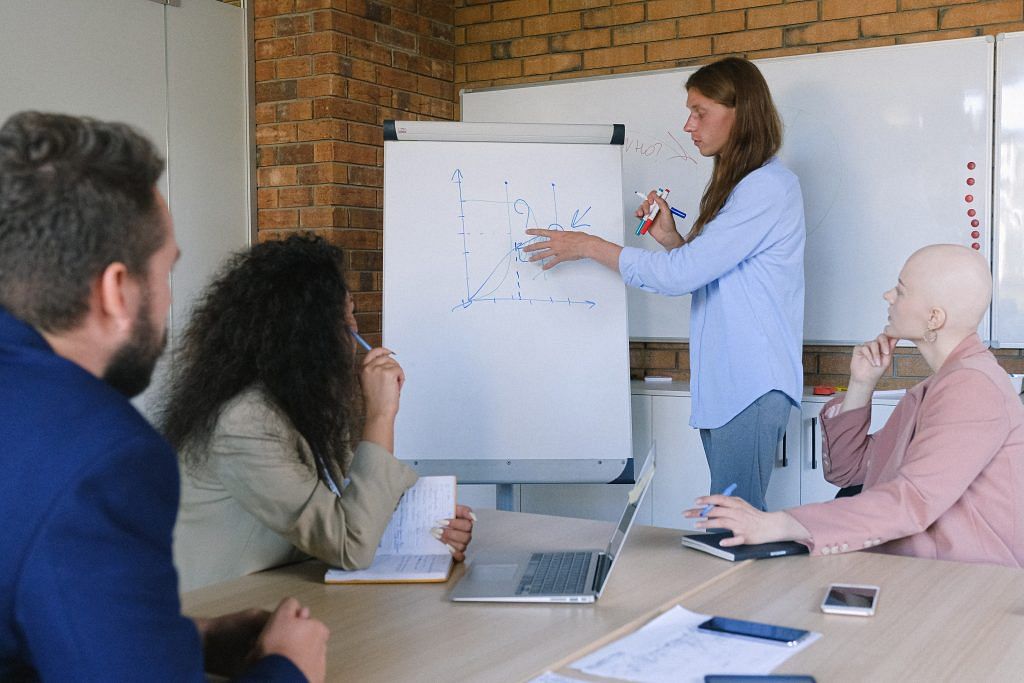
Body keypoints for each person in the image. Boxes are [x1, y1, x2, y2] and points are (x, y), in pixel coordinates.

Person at [0, 111, 328, 681]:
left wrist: (181, 641)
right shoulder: (101, 458)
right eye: (165, 274)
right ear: (114, 291)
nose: (171, 301)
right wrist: (287, 668)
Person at [523, 57, 805, 511]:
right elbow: (707, 275)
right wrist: (672, 239)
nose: (688, 125)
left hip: (750, 384)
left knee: (735, 526)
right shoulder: (740, 187)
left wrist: (588, 246)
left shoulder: (765, 188)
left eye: (700, 112)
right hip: (732, 385)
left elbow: (681, 277)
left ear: (741, 113)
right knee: (729, 522)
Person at [162, 235, 475, 591]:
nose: (355, 331)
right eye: (344, 318)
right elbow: (348, 544)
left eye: (353, 313)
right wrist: (380, 415)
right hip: (221, 614)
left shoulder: (304, 403)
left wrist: (429, 527)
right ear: (305, 332)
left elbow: (345, 506)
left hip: (286, 595)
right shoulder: (244, 422)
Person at [686, 244, 1024, 568]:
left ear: (934, 317)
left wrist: (781, 524)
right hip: (926, 575)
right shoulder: (945, 383)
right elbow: (850, 471)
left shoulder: (972, 388)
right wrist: (862, 384)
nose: (888, 296)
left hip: (964, 585)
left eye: (901, 291)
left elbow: (912, 502)